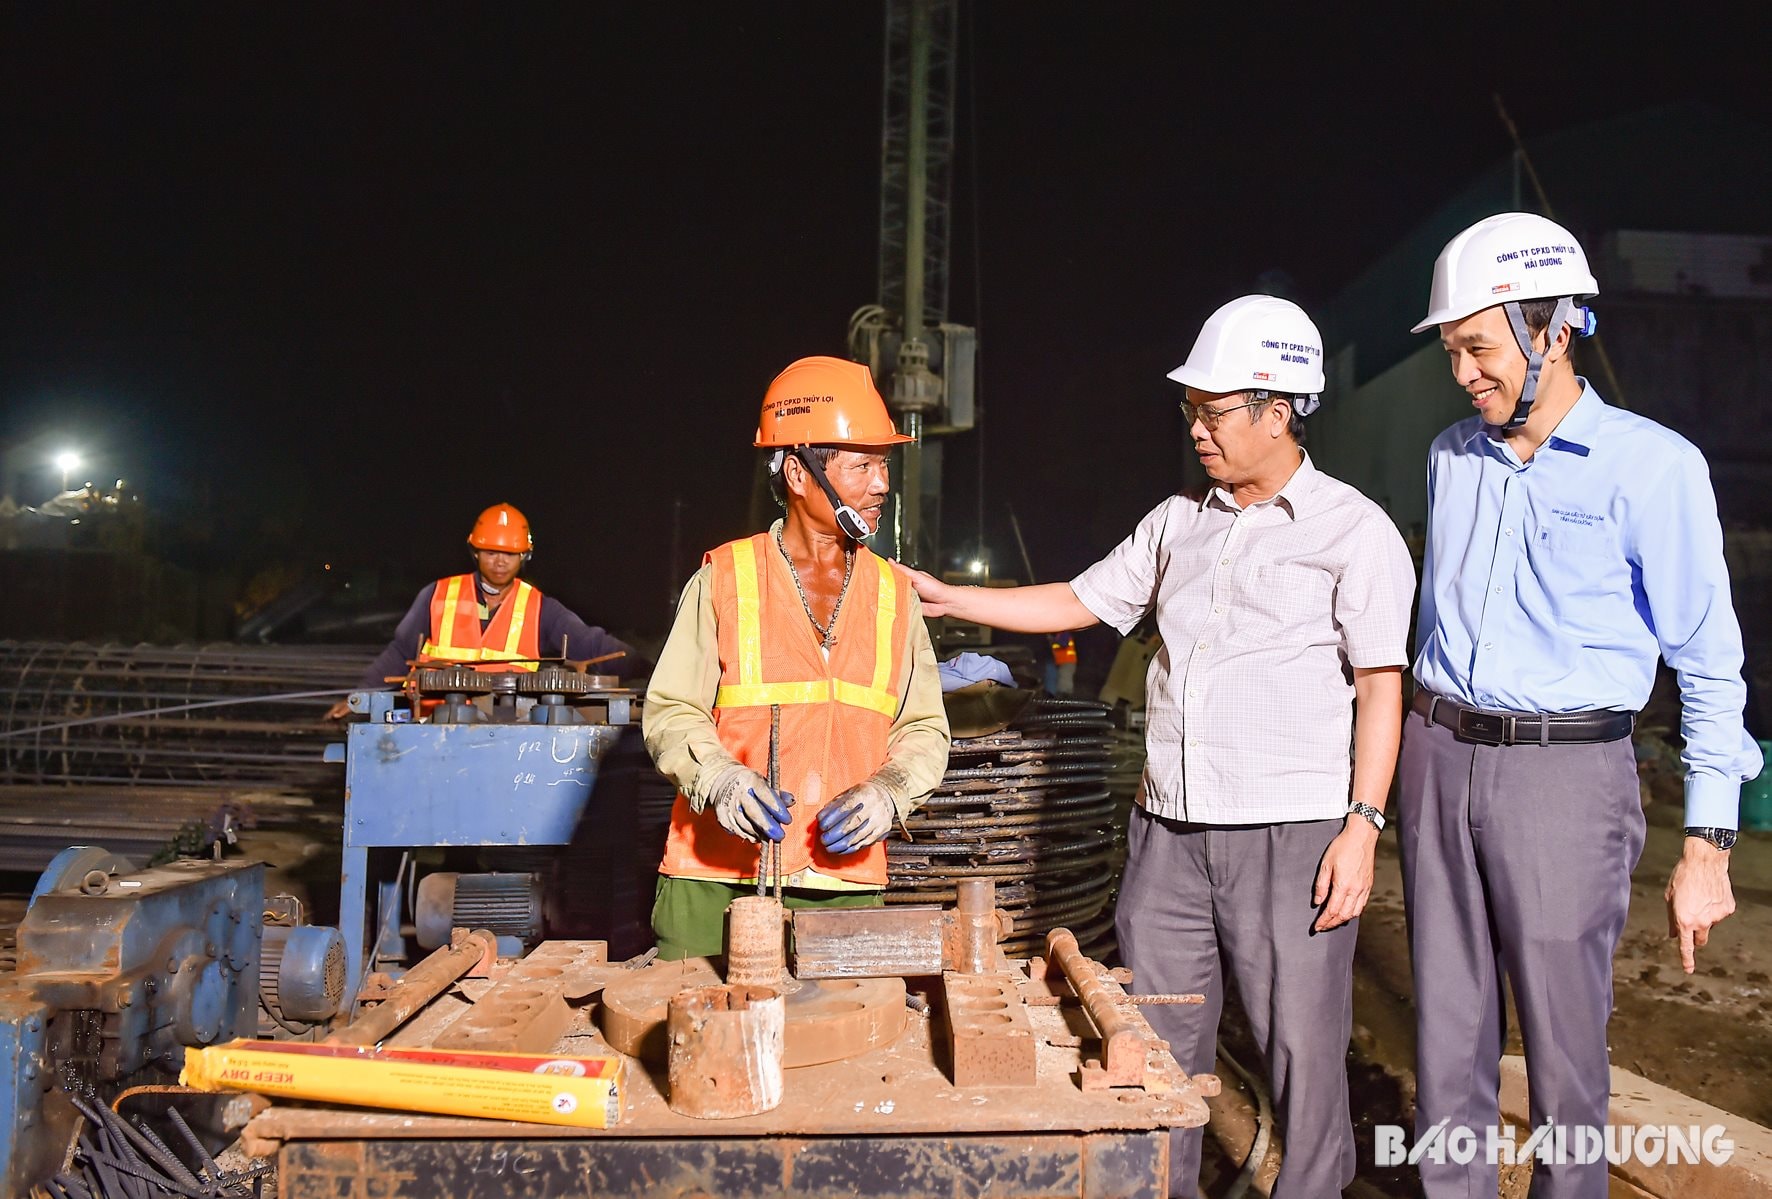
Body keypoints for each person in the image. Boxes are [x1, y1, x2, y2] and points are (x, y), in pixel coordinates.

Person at [910, 296, 1415, 1199]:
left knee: (1301, 1049)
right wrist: (951, 597)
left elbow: (1382, 687)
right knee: (1150, 1044)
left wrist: (1363, 824)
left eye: (1215, 411)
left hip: (1290, 835)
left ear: (1279, 408)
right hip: (1170, 834)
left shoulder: (1355, 531)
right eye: (1191, 410)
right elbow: (1079, 599)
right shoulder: (1179, 520)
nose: (1198, 430)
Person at [1400, 212, 1761, 1198]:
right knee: (1446, 1037)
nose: (1461, 371)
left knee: (1562, 1060)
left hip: (1564, 776)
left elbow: (1710, 665)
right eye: (1450, 350)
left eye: (1477, 346)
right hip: (1434, 753)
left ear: (1552, 331)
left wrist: (1707, 843)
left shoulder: (1651, 468)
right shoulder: (1449, 457)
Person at [642, 356, 950, 959]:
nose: (882, 484)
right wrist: (720, 779)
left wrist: (891, 791)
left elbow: (924, 728)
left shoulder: (895, 595)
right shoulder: (725, 578)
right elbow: (671, 711)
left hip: (843, 881)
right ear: (799, 472)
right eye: (863, 465)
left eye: (883, 465)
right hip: (715, 880)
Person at [327, 502, 642, 717]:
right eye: (491, 552)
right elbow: (399, 652)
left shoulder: (540, 608)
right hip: (428, 730)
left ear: (525, 557)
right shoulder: (437, 596)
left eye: (511, 554)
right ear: (475, 552)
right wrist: (359, 698)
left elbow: (593, 645)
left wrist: (654, 669)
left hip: (506, 735)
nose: (501, 562)